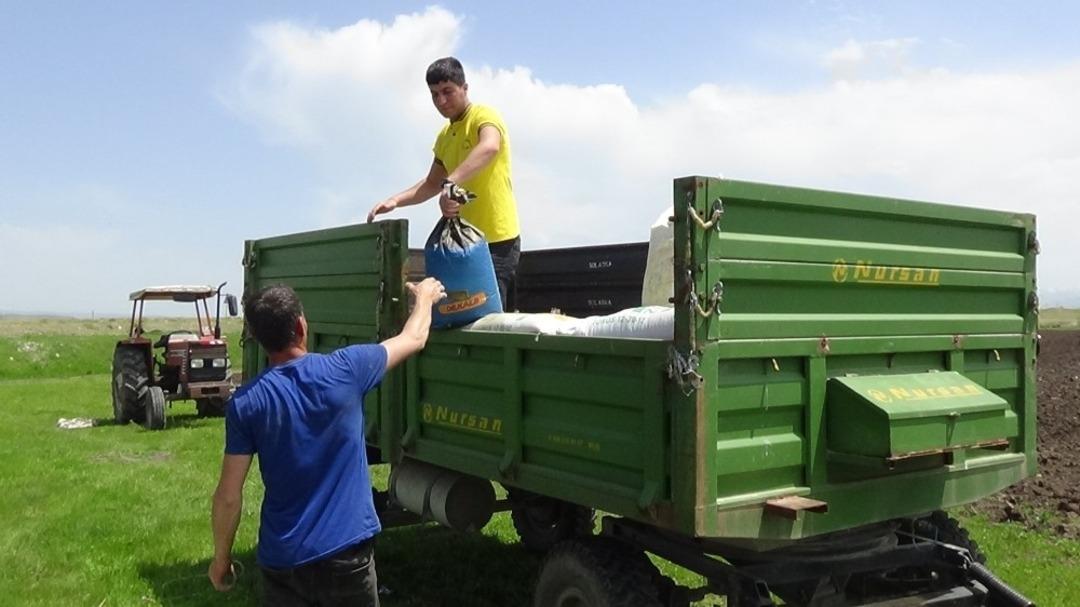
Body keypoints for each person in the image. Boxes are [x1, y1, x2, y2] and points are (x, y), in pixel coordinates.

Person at [208, 278, 446, 606]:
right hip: (346, 556)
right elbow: (414, 337)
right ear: (301, 326)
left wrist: (221, 558)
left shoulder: (246, 403)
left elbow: (228, 497)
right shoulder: (346, 369)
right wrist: (424, 298)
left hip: (283, 562)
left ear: (259, 339)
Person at [368, 56, 521, 309]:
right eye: (434, 94)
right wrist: (395, 200)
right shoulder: (444, 137)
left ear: (465, 88)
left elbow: (490, 146)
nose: (441, 101)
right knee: (461, 311)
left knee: (489, 315)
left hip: (497, 239)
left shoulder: (483, 116)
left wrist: (450, 183)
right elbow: (431, 183)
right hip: (462, 243)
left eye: (447, 92)